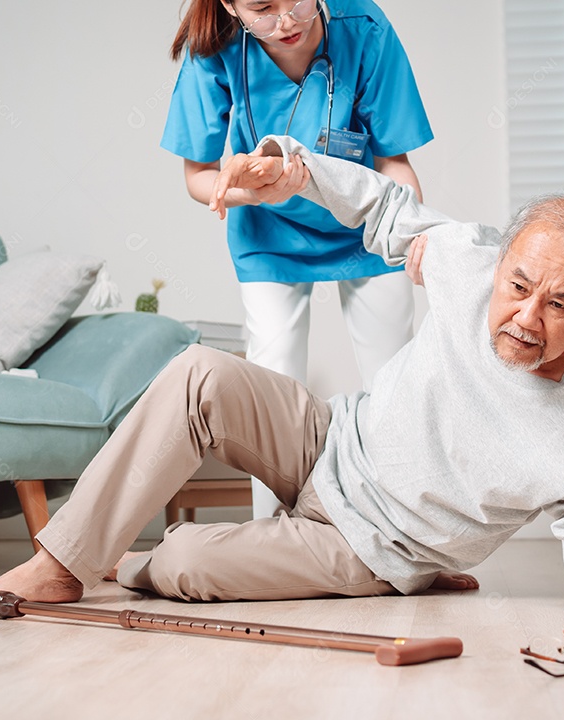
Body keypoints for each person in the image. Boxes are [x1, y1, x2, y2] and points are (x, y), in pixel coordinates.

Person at [0, 136, 564, 642]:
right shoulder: (471, 257)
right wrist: (294, 170)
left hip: (374, 547)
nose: (524, 317)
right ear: (502, 264)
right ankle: (61, 565)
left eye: (558, 304)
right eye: (517, 286)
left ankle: (132, 560)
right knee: (202, 372)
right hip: (329, 439)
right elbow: (382, 207)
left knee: (181, 563)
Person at [163, 0, 434, 518]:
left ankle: (407, 530)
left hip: (364, 222)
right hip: (267, 227)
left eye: (297, 1)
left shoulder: (363, 27)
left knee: (394, 379)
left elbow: (394, 161)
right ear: (229, 5)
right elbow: (199, 177)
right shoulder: (214, 47)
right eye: (263, 9)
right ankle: (273, 531)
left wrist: (413, 232)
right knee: (272, 390)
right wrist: (251, 191)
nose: (286, 22)